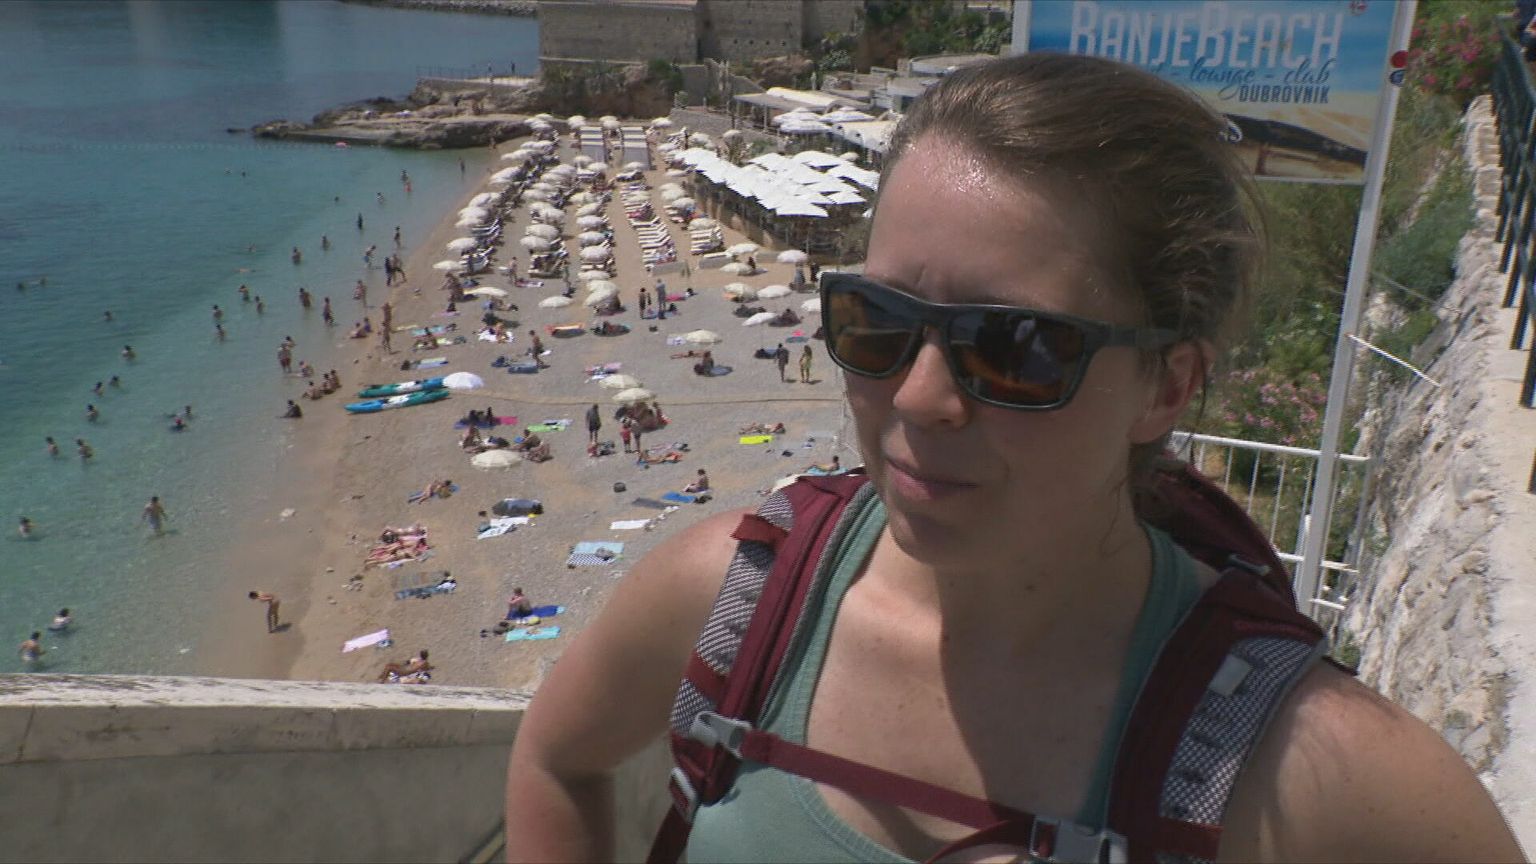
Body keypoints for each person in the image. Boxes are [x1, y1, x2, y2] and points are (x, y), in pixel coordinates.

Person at [504, 54, 1524, 863]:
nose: (919, 397)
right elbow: (555, 757)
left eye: (1016, 347)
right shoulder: (736, 598)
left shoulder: (1302, 767)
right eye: (876, 321)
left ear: (1166, 387)